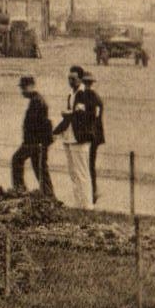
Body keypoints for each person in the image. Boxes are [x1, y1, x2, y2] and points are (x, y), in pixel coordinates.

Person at [53, 65, 94, 208]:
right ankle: (78, 203)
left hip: (80, 138)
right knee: (73, 173)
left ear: (81, 79)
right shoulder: (71, 94)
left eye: (74, 79)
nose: (70, 81)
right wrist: (56, 132)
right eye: (69, 78)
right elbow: (70, 117)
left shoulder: (84, 94)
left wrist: (68, 114)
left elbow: (81, 115)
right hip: (69, 137)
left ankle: (87, 206)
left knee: (82, 172)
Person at [11, 74, 55, 196]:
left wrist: (40, 144)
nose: (22, 91)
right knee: (40, 169)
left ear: (31, 86)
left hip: (34, 142)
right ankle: (49, 195)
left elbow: (41, 124)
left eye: (24, 88)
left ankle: (20, 190)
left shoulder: (37, 102)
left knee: (17, 160)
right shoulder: (36, 100)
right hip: (35, 142)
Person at [80, 73, 105, 203]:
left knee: (88, 164)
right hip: (94, 136)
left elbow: (93, 118)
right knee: (90, 164)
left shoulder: (89, 97)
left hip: (90, 136)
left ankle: (92, 191)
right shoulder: (95, 97)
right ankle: (92, 191)